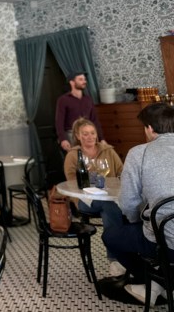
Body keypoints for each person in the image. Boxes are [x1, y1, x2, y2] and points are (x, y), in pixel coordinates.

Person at [102, 102, 174, 306]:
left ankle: (155, 281)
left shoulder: (139, 153)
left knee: (111, 236)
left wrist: (136, 221)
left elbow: (128, 203)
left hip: (167, 241)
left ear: (149, 128)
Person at [63, 117, 125, 276]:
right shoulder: (73, 155)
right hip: (85, 199)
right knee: (110, 207)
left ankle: (134, 254)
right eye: (85, 134)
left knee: (121, 207)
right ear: (78, 136)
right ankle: (115, 259)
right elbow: (71, 183)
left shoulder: (108, 151)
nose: (89, 137)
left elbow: (122, 172)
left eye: (92, 133)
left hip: (110, 195)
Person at [55, 71, 104, 153]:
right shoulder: (63, 100)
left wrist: (101, 138)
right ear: (72, 82)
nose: (84, 81)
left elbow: (95, 120)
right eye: (80, 79)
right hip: (72, 134)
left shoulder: (88, 99)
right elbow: (59, 122)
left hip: (88, 133)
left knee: (93, 156)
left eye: (84, 79)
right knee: (76, 158)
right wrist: (63, 139)